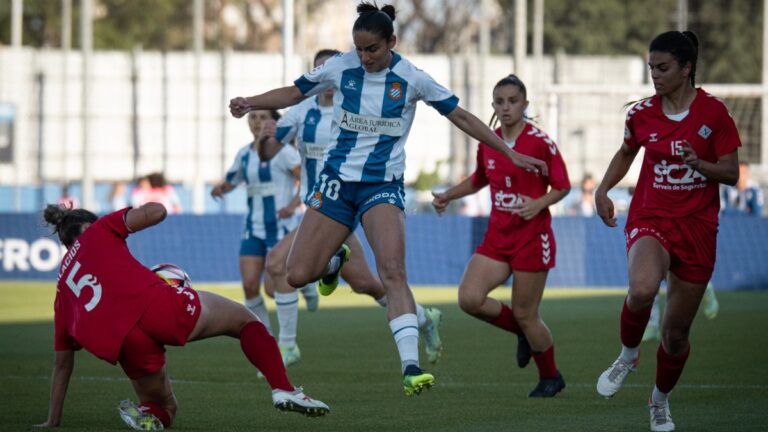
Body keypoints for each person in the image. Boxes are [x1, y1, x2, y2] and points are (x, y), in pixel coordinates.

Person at [229, 2, 547, 396]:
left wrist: (509, 152)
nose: (364, 57)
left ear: (391, 41)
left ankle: (410, 366)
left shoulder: (411, 77)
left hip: (382, 186)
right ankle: (334, 259)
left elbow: (461, 116)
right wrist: (252, 102)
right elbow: (295, 92)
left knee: (393, 271)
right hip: (336, 184)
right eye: (359, 49)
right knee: (296, 275)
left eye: (372, 50)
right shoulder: (339, 67)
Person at [36, 203, 329, 430]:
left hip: (126, 345)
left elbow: (62, 363)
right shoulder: (100, 230)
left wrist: (52, 420)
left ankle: (149, 415)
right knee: (245, 320)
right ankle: (284, 389)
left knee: (163, 408)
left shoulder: (62, 289)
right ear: (90, 224)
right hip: (157, 308)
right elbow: (158, 211)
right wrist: (132, 215)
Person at [594, 31, 740, 432]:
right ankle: (627, 355)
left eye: (663, 68)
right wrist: (603, 189)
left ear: (686, 68)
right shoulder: (640, 114)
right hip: (651, 217)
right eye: (651, 68)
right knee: (641, 289)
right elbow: (626, 152)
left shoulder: (714, 114)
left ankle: (658, 401)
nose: (654, 76)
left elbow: (731, 172)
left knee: (676, 336)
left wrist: (700, 165)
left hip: (697, 227)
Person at [266, 49, 444, 368]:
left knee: (278, 261)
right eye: (318, 71)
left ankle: (288, 345)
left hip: (342, 202)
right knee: (366, 284)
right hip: (323, 206)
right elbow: (269, 151)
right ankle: (422, 318)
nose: (326, 79)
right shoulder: (300, 112)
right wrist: (263, 130)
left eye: (328, 71)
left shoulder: (355, 100)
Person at [431, 74, 570, 397]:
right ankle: (521, 330)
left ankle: (551, 376)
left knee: (526, 313)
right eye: (499, 102)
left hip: (532, 238)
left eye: (513, 101)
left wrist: (538, 204)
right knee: (469, 298)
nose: (506, 107)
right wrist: (448, 195)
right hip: (497, 237)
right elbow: (479, 179)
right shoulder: (489, 142)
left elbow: (563, 186)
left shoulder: (540, 142)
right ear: (493, 105)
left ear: (525, 104)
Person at [211, 109, 301, 337]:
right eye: (253, 117)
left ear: (274, 122)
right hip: (252, 228)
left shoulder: (285, 152)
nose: (257, 122)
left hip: (280, 228)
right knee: (250, 286)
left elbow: (307, 179)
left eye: (263, 117)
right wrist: (221, 188)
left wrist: (292, 205)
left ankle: (306, 283)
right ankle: (267, 340)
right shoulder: (244, 154)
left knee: (272, 289)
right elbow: (233, 180)